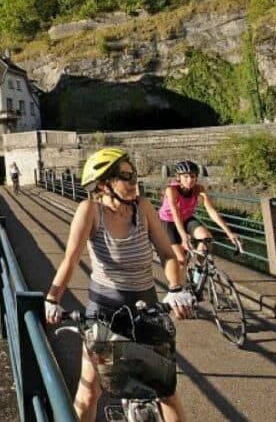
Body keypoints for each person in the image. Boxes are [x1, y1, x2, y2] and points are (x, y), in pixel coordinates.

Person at [44, 148, 195, 422]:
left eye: (134, 173)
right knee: (89, 392)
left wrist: (176, 288)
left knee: (166, 391)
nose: (134, 180)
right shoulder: (90, 210)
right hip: (105, 311)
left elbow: (166, 253)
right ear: (104, 183)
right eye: (126, 176)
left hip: (146, 307)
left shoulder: (143, 207)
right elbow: (71, 258)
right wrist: (52, 299)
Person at [159, 160, 241, 265]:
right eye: (186, 177)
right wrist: (184, 237)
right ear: (178, 177)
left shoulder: (199, 189)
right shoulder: (171, 190)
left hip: (186, 218)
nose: (190, 180)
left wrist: (229, 233)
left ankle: (198, 270)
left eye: (192, 176)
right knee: (181, 260)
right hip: (168, 221)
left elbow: (211, 210)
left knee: (206, 238)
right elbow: (175, 214)